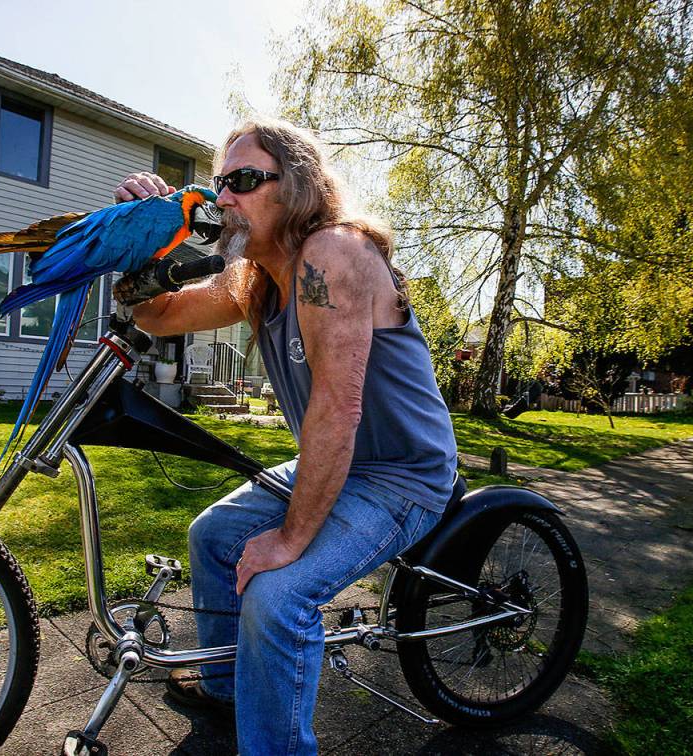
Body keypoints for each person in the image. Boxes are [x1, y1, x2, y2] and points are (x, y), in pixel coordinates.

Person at [115, 119, 457, 755]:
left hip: (401, 475)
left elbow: (337, 405)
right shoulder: (255, 280)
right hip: (338, 461)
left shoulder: (335, 252)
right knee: (213, 535)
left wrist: (290, 539)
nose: (222, 199)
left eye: (243, 181)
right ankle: (226, 686)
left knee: (277, 595)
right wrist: (144, 242)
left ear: (296, 187)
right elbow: (157, 315)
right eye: (220, 184)